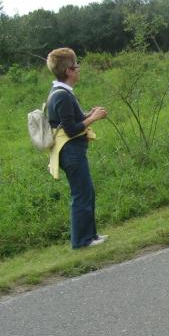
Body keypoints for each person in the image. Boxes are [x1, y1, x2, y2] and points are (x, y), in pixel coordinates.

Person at [45, 47, 109, 249]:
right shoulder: (62, 95)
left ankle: (90, 236)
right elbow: (71, 129)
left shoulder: (62, 93)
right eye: (76, 66)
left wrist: (88, 114)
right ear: (68, 71)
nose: (79, 69)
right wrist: (93, 118)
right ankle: (81, 241)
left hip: (72, 151)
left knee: (87, 192)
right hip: (71, 151)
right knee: (81, 194)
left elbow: (70, 120)